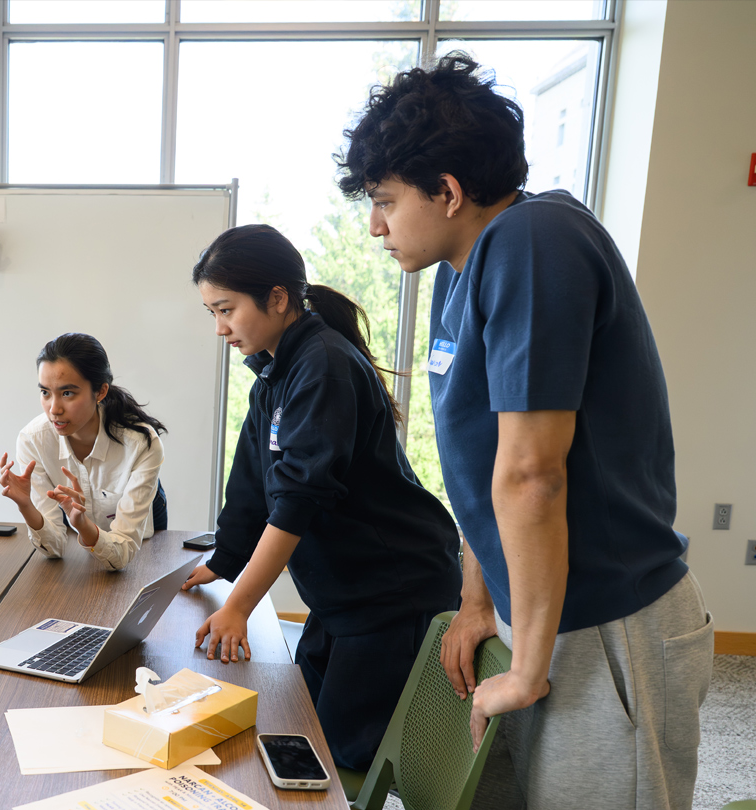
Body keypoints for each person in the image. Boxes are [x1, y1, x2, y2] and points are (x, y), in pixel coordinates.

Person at [335, 53, 712, 810]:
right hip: (533, 609)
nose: (374, 226)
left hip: (608, 623)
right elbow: (479, 462)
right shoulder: (460, 267)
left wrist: (531, 664)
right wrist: (479, 602)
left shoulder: (535, 242)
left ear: (447, 191)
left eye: (383, 199)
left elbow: (533, 474)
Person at [183, 224, 460, 771]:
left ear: (278, 298)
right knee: (292, 728)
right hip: (344, 595)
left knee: (333, 761)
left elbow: (298, 500)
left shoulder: (323, 365)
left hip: (390, 592)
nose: (219, 328)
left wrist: (239, 606)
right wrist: (222, 562)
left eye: (225, 309)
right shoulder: (274, 371)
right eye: (211, 313)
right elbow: (252, 481)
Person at [0, 332, 167, 571]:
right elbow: (54, 548)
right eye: (45, 392)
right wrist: (26, 506)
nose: (54, 409)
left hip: (143, 532)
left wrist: (83, 526)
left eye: (67, 393)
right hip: (81, 525)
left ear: (100, 392)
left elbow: (122, 553)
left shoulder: (141, 443)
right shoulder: (32, 440)